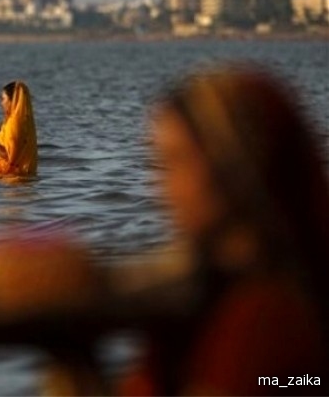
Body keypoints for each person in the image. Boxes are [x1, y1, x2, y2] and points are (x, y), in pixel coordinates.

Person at [116, 62, 329, 396]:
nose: (163, 185)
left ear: (237, 165)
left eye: (179, 160)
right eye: (160, 162)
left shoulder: (265, 320)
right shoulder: (208, 289)